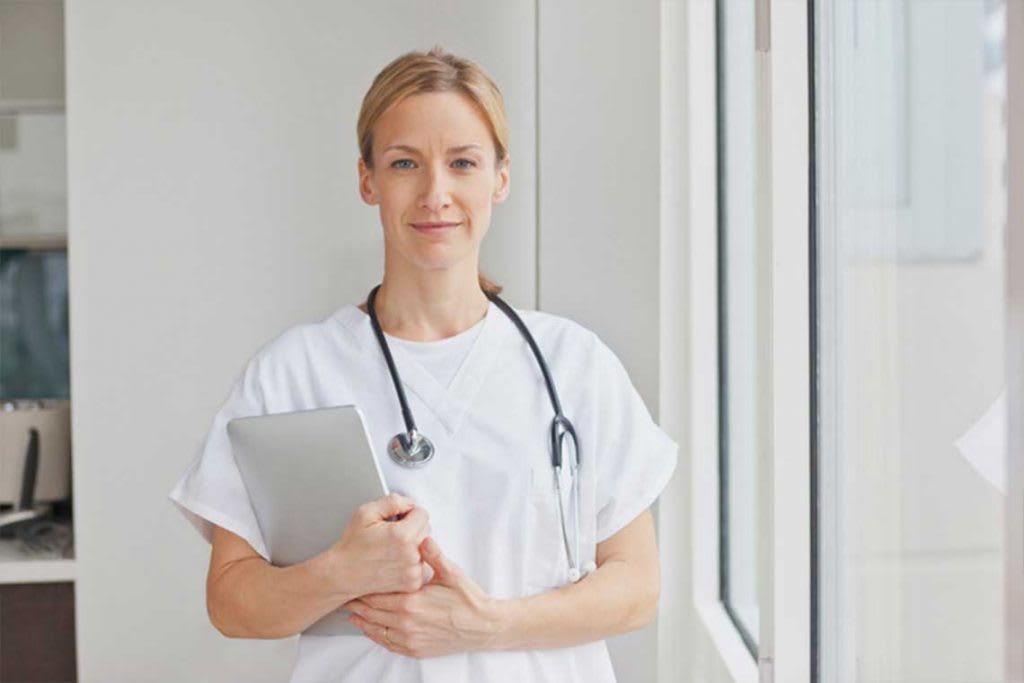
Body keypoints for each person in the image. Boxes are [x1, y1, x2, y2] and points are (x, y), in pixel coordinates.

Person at [168, 46, 678, 682]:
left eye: (462, 163)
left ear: (500, 178)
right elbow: (232, 604)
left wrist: (484, 625)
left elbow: (637, 588)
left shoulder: (574, 364)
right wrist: (340, 571)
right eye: (405, 163)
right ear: (368, 180)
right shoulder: (294, 372)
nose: (436, 193)